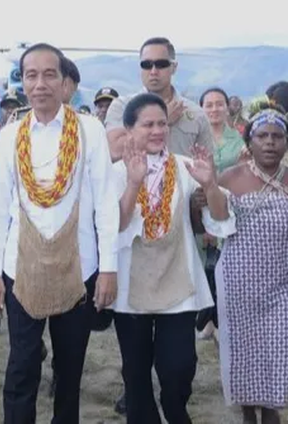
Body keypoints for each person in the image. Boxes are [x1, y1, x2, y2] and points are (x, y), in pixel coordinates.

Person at [0, 42, 119, 424]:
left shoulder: (89, 130)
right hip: (20, 268)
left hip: (79, 268)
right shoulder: (10, 136)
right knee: (21, 366)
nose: (40, 84)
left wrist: (108, 268)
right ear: (23, 82)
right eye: (31, 75)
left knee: (69, 369)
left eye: (49, 74)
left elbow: (106, 204)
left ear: (64, 82)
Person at [111, 93, 235, 424]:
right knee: (135, 373)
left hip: (178, 280)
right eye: (147, 124)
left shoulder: (184, 166)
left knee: (179, 367)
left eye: (162, 123)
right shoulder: (114, 172)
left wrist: (209, 185)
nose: (157, 131)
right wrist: (134, 182)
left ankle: (176, 410)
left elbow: (220, 221)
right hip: (130, 286)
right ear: (128, 129)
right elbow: (117, 227)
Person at [212, 102, 288, 424]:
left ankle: (270, 410)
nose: (270, 142)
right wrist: (205, 189)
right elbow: (213, 221)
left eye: (277, 136)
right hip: (238, 282)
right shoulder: (230, 178)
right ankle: (247, 412)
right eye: (262, 136)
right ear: (249, 141)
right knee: (243, 350)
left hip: (282, 284)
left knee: (278, 349)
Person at [105, 37, 214, 163]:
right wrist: (163, 119)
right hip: (135, 182)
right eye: (146, 65)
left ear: (174, 67)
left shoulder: (195, 114)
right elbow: (114, 151)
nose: (153, 71)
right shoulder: (121, 106)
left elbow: (209, 165)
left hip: (181, 181)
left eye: (161, 64)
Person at [196, 87, 246, 338]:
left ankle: (222, 319)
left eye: (219, 104)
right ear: (201, 108)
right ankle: (207, 317)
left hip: (231, 210)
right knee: (204, 266)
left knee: (227, 265)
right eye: (209, 105)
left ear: (228, 107)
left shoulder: (241, 140)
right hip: (199, 207)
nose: (214, 109)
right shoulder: (196, 138)